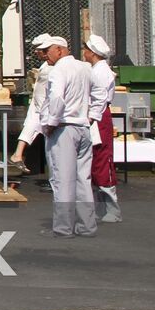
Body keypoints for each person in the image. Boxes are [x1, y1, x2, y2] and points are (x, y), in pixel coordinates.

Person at [39, 36, 97, 237]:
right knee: (83, 178)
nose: (45, 55)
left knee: (63, 179)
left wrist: (50, 123)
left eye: (47, 51)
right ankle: (87, 226)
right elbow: (99, 93)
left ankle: (63, 228)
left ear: (60, 50)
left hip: (64, 128)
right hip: (83, 127)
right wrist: (93, 115)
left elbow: (56, 97)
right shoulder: (85, 68)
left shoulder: (58, 71)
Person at [83, 34, 122, 223]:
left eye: (86, 49)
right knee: (96, 160)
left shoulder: (100, 72)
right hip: (96, 117)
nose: (84, 52)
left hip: (98, 118)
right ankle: (102, 208)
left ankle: (112, 210)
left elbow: (99, 99)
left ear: (92, 53)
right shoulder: (97, 70)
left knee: (102, 160)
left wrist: (91, 118)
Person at [9, 33, 56, 174]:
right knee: (34, 126)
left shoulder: (50, 67)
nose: (37, 53)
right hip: (43, 107)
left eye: (40, 50)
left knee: (32, 126)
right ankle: (17, 155)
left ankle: (17, 155)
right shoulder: (47, 67)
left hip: (45, 107)